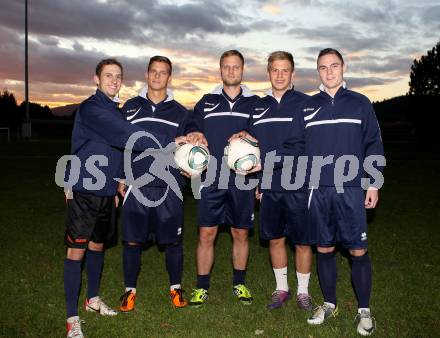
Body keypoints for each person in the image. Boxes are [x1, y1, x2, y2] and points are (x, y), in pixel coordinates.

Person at [63, 58, 174, 338]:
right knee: (77, 250)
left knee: (98, 247)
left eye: (118, 76)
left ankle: (92, 300)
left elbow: (119, 150)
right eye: (108, 75)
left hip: (106, 190)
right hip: (84, 189)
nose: (113, 80)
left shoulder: (115, 109)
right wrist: (172, 141)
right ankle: (71, 318)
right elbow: (125, 135)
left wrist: (119, 181)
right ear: (96, 79)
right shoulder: (92, 108)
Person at [284, 48, 384, 335]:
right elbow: (295, 148)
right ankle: (329, 303)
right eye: (323, 67)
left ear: (343, 68)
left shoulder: (360, 103)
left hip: (351, 188)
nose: (329, 71)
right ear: (318, 72)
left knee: (357, 249)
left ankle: (364, 310)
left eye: (334, 66)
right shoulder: (306, 107)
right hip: (317, 191)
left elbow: (373, 144)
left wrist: (374, 182)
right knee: (324, 248)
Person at [117, 56, 205, 311]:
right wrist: (120, 176)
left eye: (163, 72)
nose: (157, 76)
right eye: (153, 71)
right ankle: (129, 291)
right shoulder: (131, 107)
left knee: (173, 242)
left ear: (169, 77)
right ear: (147, 74)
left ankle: (176, 288)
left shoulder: (179, 111)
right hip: (137, 183)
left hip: (169, 185)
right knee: (132, 241)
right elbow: (120, 143)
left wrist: (196, 141)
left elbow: (193, 135)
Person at [233, 51, 314, 310]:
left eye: (285, 70)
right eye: (275, 70)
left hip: (299, 182)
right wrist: (243, 138)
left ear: (293, 73)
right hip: (269, 184)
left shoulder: (305, 103)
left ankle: (303, 292)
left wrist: (267, 162)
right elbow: (253, 142)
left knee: (302, 240)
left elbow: (301, 145)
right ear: (268, 72)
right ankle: (281, 289)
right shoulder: (258, 105)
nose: (279, 75)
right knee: (276, 238)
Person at [187, 50, 259, 306]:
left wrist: (250, 133)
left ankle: (239, 284)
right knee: (207, 233)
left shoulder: (255, 103)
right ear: (220, 70)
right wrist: (195, 132)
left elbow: (264, 133)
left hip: (242, 179)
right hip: (212, 178)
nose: (231, 71)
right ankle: (201, 287)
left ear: (242, 70)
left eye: (236, 67)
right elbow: (191, 125)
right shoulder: (206, 101)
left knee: (240, 233)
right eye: (226, 67)